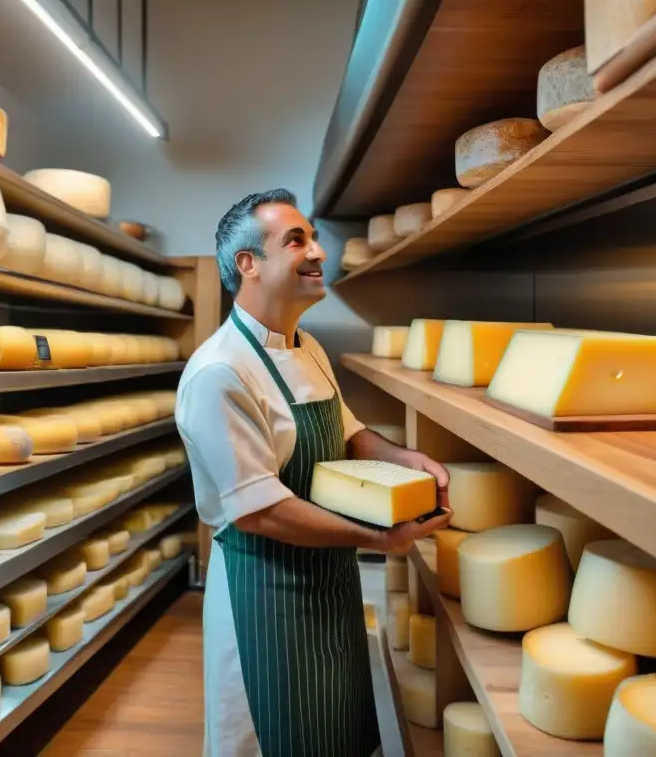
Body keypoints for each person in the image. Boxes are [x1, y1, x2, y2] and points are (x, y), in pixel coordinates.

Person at [175, 188, 454, 757]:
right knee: (273, 736)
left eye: (314, 237)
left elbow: (350, 433)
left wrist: (404, 459)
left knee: (334, 731)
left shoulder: (309, 348)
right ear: (247, 265)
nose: (317, 251)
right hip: (265, 593)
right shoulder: (219, 374)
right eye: (295, 240)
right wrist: (379, 538)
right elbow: (262, 511)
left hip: (328, 583)